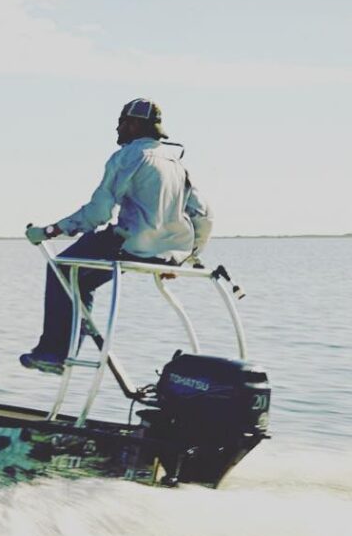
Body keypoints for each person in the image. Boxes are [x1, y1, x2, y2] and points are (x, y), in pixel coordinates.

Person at [21, 98, 213, 374]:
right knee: (79, 281)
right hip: (166, 254)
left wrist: (51, 230)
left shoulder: (128, 156)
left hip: (130, 244)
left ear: (134, 124)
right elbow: (203, 216)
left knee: (60, 268)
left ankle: (54, 353)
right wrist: (185, 257)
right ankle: (63, 353)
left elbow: (98, 213)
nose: (117, 129)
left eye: (121, 122)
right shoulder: (175, 163)